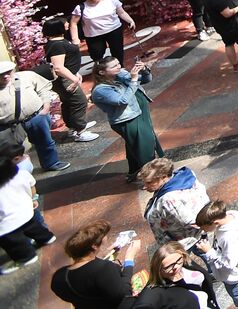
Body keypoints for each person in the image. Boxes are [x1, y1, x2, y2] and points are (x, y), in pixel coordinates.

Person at [90, 56, 163, 181]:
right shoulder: (100, 90)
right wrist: (134, 79)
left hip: (139, 113)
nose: (119, 66)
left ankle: (134, 171)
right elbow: (122, 101)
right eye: (113, 66)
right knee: (145, 145)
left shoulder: (120, 74)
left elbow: (145, 79)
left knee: (137, 143)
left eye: (118, 63)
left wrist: (144, 70)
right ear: (102, 72)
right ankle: (154, 177)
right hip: (127, 120)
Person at [50, 219, 144, 309]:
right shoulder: (104, 269)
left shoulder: (59, 277)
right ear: (94, 247)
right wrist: (129, 259)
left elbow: (88, 271)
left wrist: (113, 253)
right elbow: (124, 294)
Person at [0, 60, 68, 172]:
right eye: (1, 74)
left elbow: (44, 86)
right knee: (9, 151)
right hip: (8, 125)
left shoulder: (26, 76)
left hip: (36, 117)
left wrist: (46, 105)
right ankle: (13, 174)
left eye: (8, 72)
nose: (6, 76)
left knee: (46, 142)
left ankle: (51, 163)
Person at [194, 199, 238, 309]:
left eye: (204, 228)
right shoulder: (227, 219)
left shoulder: (229, 237)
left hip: (235, 277)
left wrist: (209, 251)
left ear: (215, 223)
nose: (203, 230)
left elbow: (229, 263)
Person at [0, 138, 54, 271]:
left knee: (13, 242)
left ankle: (26, 257)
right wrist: (33, 199)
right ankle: (47, 237)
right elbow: (32, 186)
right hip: (27, 210)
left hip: (7, 223)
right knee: (33, 227)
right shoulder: (22, 174)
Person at [41, 19, 98, 142]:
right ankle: (80, 131)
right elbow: (58, 67)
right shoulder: (56, 45)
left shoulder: (58, 41)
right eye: (65, 23)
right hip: (65, 80)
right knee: (79, 102)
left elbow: (68, 61)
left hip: (68, 77)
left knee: (68, 103)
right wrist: (74, 79)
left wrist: (75, 72)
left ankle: (73, 127)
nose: (67, 24)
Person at [139, 159, 209, 250]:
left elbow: (191, 221)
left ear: (164, 177)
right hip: (197, 235)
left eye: (149, 182)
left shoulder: (168, 199)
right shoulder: (185, 175)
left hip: (185, 242)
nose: (144, 187)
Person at [130, 242, 218, 309]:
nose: (175, 267)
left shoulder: (184, 262)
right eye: (168, 266)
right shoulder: (155, 290)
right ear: (158, 269)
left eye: (178, 261)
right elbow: (144, 304)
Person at [70, 0, 135, 68]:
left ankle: (120, 68)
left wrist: (130, 21)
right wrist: (75, 39)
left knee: (117, 51)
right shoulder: (80, 7)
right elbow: (73, 23)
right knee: (97, 55)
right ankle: (102, 71)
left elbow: (121, 12)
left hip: (114, 30)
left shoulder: (112, 1)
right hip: (93, 35)